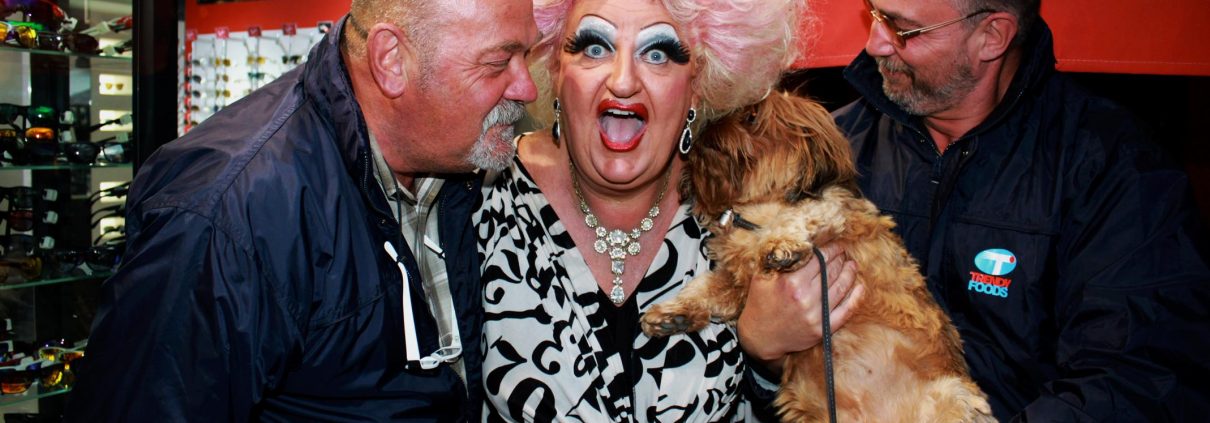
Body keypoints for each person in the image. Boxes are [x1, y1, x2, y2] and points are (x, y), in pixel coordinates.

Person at [64, 0, 539, 420]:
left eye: (527, 56)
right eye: (498, 62)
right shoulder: (225, 216)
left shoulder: (456, 163)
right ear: (392, 60)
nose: (527, 88)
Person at [475, 0, 863, 420]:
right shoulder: (476, 200)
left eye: (658, 53)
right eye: (594, 48)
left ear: (699, 83)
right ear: (553, 67)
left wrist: (768, 363)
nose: (623, 81)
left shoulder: (747, 216)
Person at [832, 0, 1210, 420]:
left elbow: (1137, 378)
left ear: (992, 36)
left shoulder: (1113, 168)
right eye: (875, 13)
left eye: (902, 29)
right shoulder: (832, 147)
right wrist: (772, 337)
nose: (875, 44)